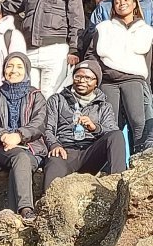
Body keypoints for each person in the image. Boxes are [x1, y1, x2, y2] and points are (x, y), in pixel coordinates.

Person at [0, 0, 85, 98]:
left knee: (50, 96)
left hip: (56, 51)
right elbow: (2, 8)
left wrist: (74, 49)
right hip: (29, 50)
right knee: (27, 95)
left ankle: (49, 122)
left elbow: (76, 23)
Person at [89, 0, 153, 151]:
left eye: (126, 0)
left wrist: (147, 85)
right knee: (111, 124)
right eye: (117, 1)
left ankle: (139, 158)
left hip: (133, 80)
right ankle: (111, 161)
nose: (121, 3)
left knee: (138, 121)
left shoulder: (146, 31)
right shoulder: (103, 27)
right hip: (108, 81)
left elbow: (149, 61)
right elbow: (91, 54)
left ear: (134, 4)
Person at [43, 59, 126, 190]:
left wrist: (95, 128)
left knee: (117, 135)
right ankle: (47, 206)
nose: (82, 81)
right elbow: (47, 128)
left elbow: (112, 130)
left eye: (88, 78)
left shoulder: (104, 106)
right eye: (78, 76)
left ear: (96, 83)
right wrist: (54, 144)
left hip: (90, 152)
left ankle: (119, 186)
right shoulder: (57, 100)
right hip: (64, 151)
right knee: (54, 162)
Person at [0, 53, 46, 222]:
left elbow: (39, 124)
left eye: (19, 67)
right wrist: (2, 135)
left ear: (26, 70)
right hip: (2, 148)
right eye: (9, 66)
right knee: (19, 157)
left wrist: (19, 136)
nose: (13, 70)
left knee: (22, 159)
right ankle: (25, 208)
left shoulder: (36, 95)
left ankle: (11, 213)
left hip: (32, 148)